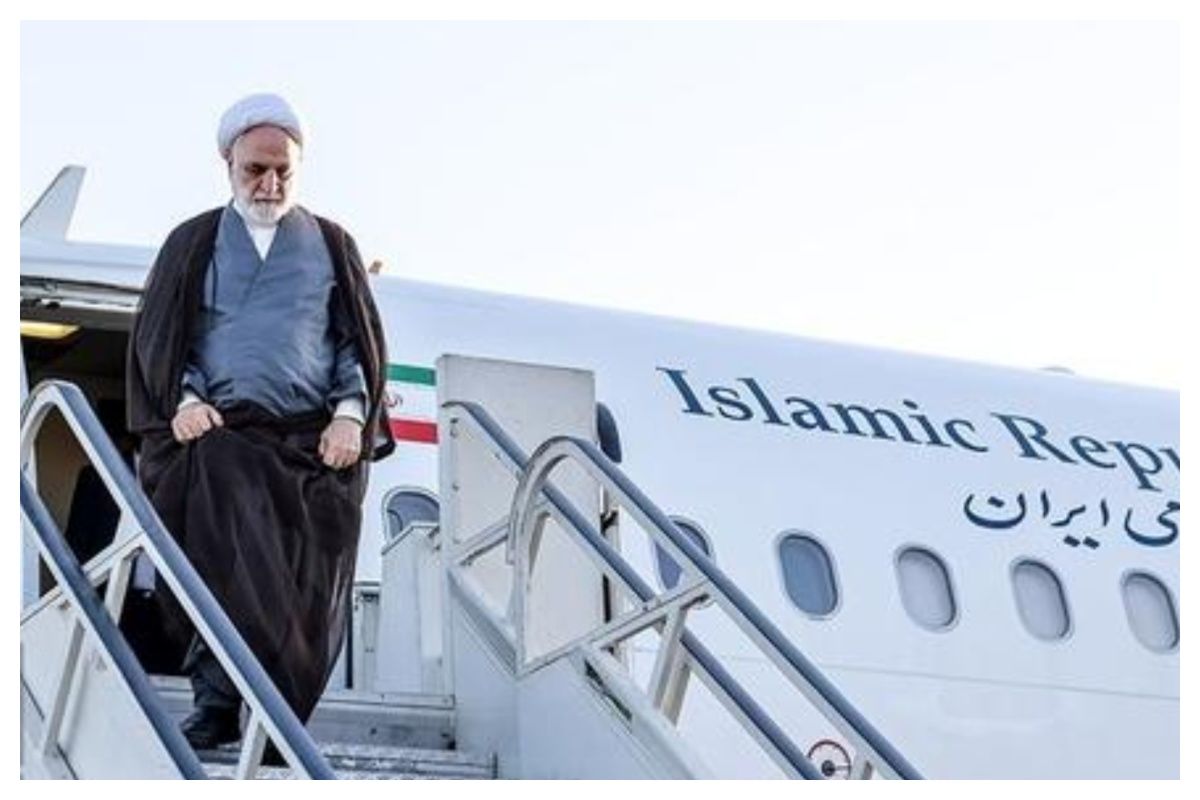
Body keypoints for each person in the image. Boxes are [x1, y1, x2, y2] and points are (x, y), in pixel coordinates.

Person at [126, 93, 394, 750]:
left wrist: (350, 415)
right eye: (255, 170)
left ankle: (277, 720)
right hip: (222, 436)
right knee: (220, 564)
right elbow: (167, 340)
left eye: (282, 172)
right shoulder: (192, 242)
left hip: (312, 444)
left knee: (300, 587)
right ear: (228, 164)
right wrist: (185, 401)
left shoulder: (332, 244)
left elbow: (353, 344)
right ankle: (217, 704)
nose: (269, 185)